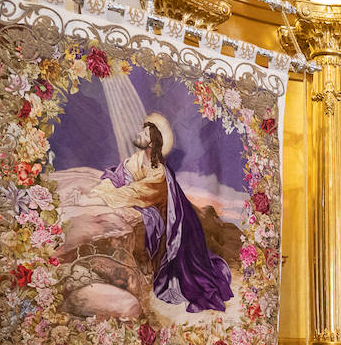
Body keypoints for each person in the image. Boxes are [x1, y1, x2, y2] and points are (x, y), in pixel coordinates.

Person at [90, 112, 234, 313]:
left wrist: (107, 195)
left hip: (174, 222)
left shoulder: (159, 172)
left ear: (152, 142)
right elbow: (121, 175)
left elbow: (138, 192)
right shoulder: (137, 159)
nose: (139, 134)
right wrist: (106, 187)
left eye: (145, 133)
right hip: (154, 210)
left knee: (185, 271)